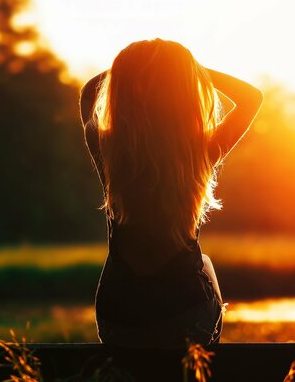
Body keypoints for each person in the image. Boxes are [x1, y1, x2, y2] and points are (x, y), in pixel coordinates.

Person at [79, 38, 262, 348]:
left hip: (119, 319)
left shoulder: (110, 151)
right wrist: (187, 70)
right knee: (203, 262)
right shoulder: (197, 153)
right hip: (187, 317)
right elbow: (250, 97)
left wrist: (132, 70)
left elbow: (87, 95)